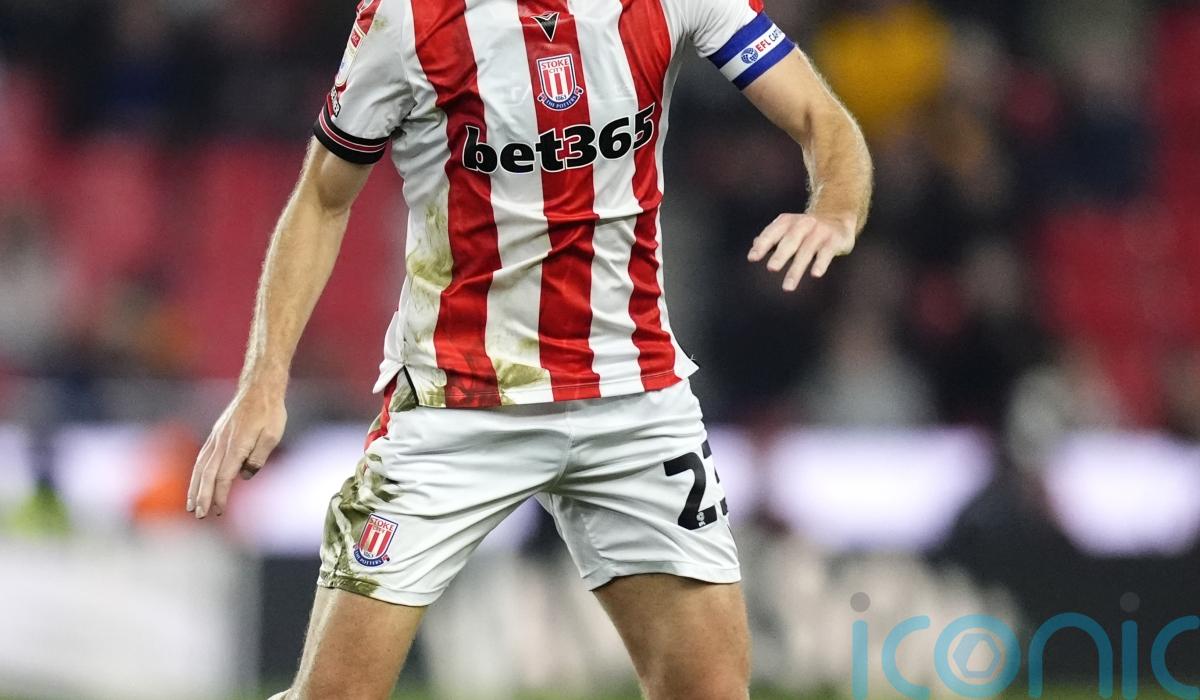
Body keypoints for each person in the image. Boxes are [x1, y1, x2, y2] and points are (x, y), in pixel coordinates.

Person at [186, 0, 871, 697]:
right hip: (458, 399)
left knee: (711, 691)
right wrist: (264, 380)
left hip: (632, 395)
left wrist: (836, 209)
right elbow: (322, 198)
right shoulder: (408, 18)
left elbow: (821, 117)